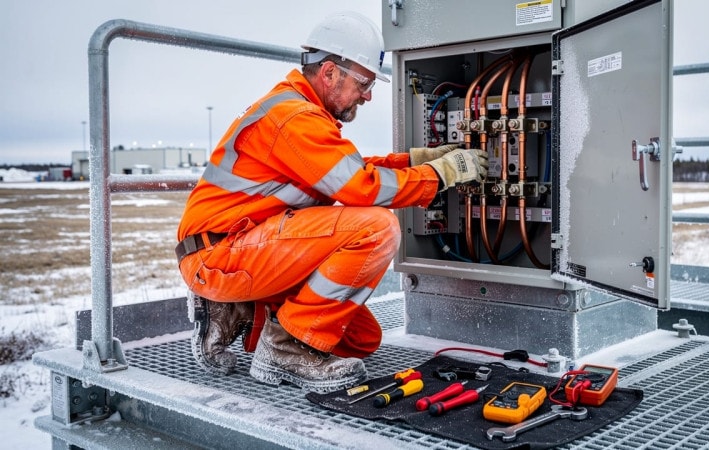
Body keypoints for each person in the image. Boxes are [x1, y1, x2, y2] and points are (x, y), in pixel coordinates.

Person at [175, 11, 488, 393]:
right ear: (328, 72)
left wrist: (414, 161)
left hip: (245, 248)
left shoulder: (302, 114)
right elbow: (361, 187)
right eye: (364, 82)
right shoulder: (294, 118)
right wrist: (441, 174)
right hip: (220, 254)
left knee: (360, 339)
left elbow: (345, 169)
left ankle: (244, 309)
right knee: (376, 227)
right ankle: (284, 349)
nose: (368, 95)